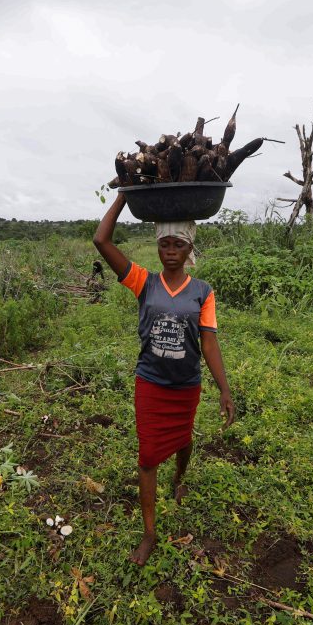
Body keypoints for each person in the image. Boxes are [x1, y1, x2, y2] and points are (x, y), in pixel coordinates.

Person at [93, 192, 235, 566]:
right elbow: (101, 241)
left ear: (189, 248)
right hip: (151, 384)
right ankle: (150, 534)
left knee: (184, 438)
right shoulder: (144, 281)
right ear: (158, 247)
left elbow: (209, 342)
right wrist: (125, 195)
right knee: (147, 457)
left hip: (186, 386)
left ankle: (181, 478)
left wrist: (224, 388)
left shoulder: (203, 292)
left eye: (179, 244)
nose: (171, 250)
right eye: (165, 244)